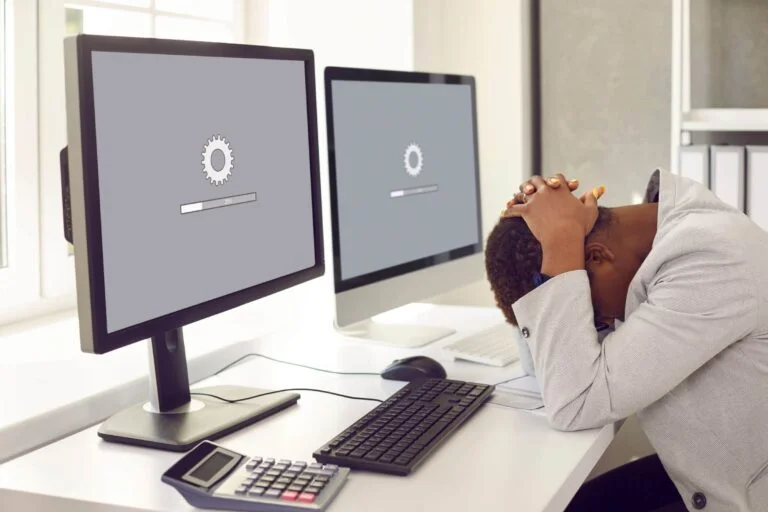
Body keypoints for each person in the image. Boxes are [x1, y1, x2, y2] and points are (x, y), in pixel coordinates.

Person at [484, 169, 768, 512]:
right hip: (722, 474)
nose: (600, 326)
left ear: (596, 257)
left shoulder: (707, 260)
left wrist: (561, 236)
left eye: (592, 316)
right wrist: (530, 228)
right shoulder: (656, 235)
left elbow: (574, 402)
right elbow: (539, 367)